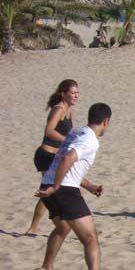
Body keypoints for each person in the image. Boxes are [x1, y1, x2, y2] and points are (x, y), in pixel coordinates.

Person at [35, 103, 112, 270]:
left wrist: (89, 186)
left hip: (48, 183)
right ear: (106, 121)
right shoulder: (90, 140)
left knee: (63, 227)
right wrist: (56, 186)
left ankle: (46, 267)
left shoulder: (76, 132)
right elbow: (68, 158)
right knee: (91, 238)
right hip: (63, 189)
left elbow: (69, 164)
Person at [26, 79, 79, 235]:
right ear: (63, 94)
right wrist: (66, 140)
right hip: (46, 156)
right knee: (54, 191)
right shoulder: (59, 109)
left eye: (77, 93)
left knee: (51, 191)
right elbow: (48, 131)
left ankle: (34, 227)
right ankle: (34, 227)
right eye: (73, 93)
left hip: (55, 156)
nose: (76, 96)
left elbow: (67, 132)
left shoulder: (69, 110)